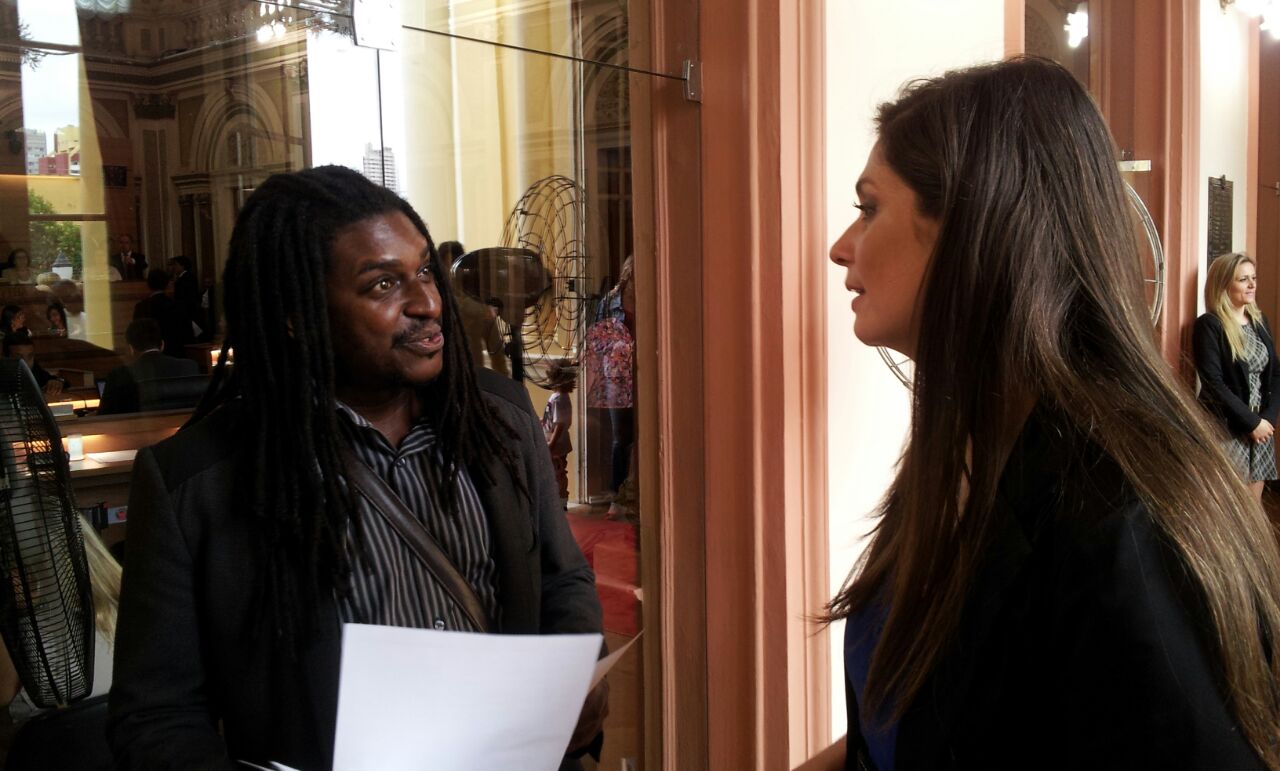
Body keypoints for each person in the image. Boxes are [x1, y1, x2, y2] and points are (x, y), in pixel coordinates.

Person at [818, 58, 1280, 770]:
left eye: (870, 206)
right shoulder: (963, 453)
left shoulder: (1120, 528)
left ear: (970, 226)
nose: (841, 246)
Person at [109, 165, 607, 770]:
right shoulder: (198, 482)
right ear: (298, 315)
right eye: (382, 286)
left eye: (424, 269)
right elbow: (157, 717)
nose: (429, 303)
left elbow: (561, 579)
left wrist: (572, 679)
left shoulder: (499, 419)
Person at [1192, 252, 1280, 501]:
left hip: (1261, 430)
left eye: (1253, 278)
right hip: (1227, 430)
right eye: (1243, 279)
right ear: (1223, 284)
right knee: (1227, 511)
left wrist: (1268, 420)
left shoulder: (1259, 321)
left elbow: (1275, 373)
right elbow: (1213, 383)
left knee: (1253, 513)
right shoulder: (1209, 325)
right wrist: (1251, 423)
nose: (1252, 285)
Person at [98, 318, 200, 415]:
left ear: (131, 348)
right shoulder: (190, 367)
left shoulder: (118, 376)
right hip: (184, 431)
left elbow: (105, 416)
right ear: (162, 344)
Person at [441, 240, 510, 377]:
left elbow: (496, 351)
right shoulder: (438, 291)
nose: (448, 269)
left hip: (474, 371)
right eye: (445, 264)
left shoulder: (473, 290)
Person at [133, 268, 191, 357]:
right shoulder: (177, 305)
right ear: (167, 284)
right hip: (176, 353)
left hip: (150, 355)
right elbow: (187, 331)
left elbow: (136, 333)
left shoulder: (141, 307)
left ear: (148, 284)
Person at [542, 361, 577, 509]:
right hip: (554, 442)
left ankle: (561, 502)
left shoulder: (559, 399)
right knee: (556, 472)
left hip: (557, 444)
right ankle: (558, 500)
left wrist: (552, 444)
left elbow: (560, 424)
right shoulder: (556, 397)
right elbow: (552, 418)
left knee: (559, 472)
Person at [3, 331, 67, 399]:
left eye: (30, 356)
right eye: (19, 357)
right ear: (6, 358)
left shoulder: (34, 369)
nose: (26, 362)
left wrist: (59, 382)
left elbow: (59, 381)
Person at [168, 255, 204, 339]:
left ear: (182, 266)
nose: (174, 267)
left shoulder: (187, 277)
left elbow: (183, 295)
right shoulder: (183, 277)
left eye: (176, 265)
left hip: (187, 310)